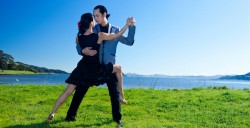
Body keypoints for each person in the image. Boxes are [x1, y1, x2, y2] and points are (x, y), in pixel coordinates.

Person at [46, 13, 133, 124]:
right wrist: (126, 25)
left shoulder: (79, 37)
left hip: (82, 68)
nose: (95, 19)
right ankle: (122, 95)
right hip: (95, 69)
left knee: (67, 91)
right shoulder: (99, 35)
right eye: (94, 18)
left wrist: (83, 50)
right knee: (119, 69)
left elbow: (77, 43)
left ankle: (53, 112)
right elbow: (116, 35)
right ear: (91, 22)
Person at [67, 5, 136, 126]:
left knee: (114, 94)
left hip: (109, 67)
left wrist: (131, 26)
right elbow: (79, 41)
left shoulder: (116, 29)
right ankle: (70, 117)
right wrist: (82, 51)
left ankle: (117, 119)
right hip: (93, 67)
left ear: (105, 14)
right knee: (80, 91)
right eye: (94, 16)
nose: (95, 18)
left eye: (97, 15)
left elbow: (130, 42)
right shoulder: (93, 28)